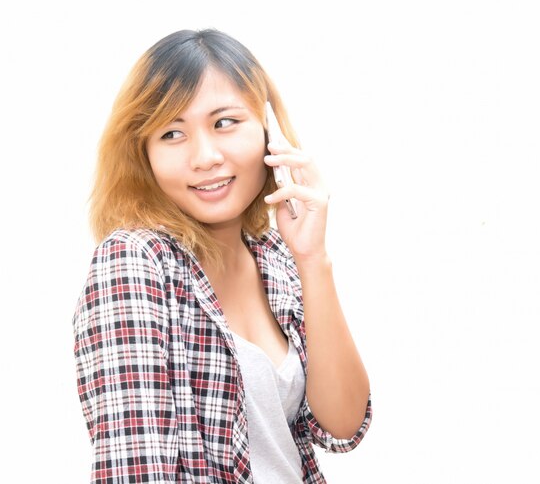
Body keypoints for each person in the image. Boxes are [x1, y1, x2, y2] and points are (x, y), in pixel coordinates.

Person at [72, 28, 372, 484]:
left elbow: (342, 426)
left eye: (225, 122)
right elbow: (134, 468)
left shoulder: (276, 259)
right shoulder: (134, 262)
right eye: (172, 133)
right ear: (144, 155)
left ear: (270, 130)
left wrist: (313, 259)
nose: (205, 156)